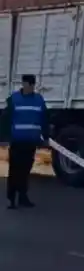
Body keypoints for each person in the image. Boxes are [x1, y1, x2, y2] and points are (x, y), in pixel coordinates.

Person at [0, 74, 48, 209]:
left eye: (30, 85)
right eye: (25, 84)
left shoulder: (39, 100)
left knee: (25, 171)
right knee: (15, 170)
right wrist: (3, 138)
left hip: (31, 142)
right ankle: (11, 199)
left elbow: (44, 119)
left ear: (33, 85)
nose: (27, 87)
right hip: (17, 142)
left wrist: (46, 137)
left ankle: (23, 197)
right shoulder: (14, 99)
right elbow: (5, 119)